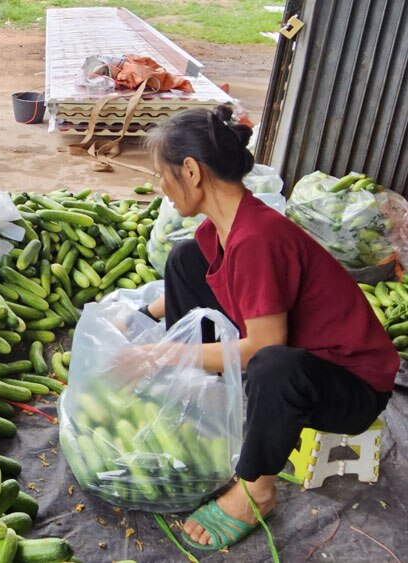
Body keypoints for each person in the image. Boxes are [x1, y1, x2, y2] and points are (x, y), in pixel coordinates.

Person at [134, 105, 397, 550]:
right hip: (302, 357)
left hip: (350, 386)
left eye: (162, 174)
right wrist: (143, 318)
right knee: (183, 259)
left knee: (273, 363)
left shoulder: (258, 237)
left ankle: (256, 487)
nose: (159, 186)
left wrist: (165, 354)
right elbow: (207, 274)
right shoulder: (228, 225)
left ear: (193, 172)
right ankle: (204, 396)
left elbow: (264, 347)